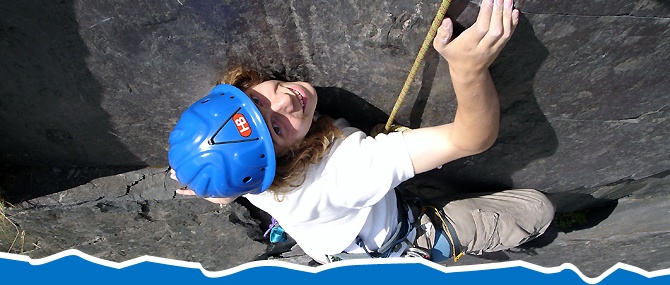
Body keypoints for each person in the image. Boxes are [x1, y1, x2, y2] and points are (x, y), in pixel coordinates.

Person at [168, 0, 554, 264]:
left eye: (258, 100)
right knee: (539, 209)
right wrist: (468, 70)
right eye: (276, 127)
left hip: (338, 245)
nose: (285, 102)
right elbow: (470, 139)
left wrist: (194, 177)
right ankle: (434, 243)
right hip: (401, 235)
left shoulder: (244, 176)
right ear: (288, 156)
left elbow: (224, 187)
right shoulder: (347, 170)